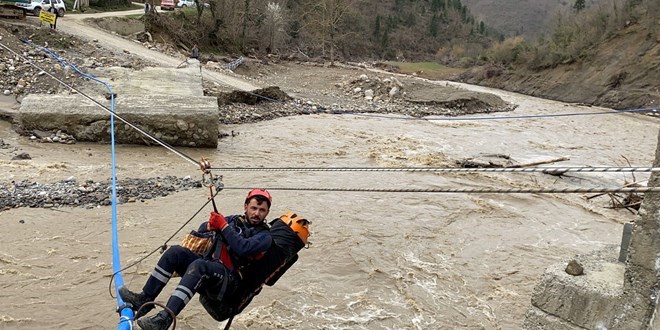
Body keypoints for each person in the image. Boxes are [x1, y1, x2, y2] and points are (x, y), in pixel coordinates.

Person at [119, 189, 273, 330]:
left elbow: (243, 247)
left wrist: (223, 226)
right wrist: (209, 226)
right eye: (254, 208)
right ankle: (145, 299)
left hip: (229, 282)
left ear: (267, 213)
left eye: (262, 210)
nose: (257, 213)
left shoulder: (265, 236)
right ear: (246, 206)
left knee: (199, 266)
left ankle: (165, 319)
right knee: (175, 252)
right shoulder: (233, 220)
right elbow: (202, 230)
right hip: (211, 269)